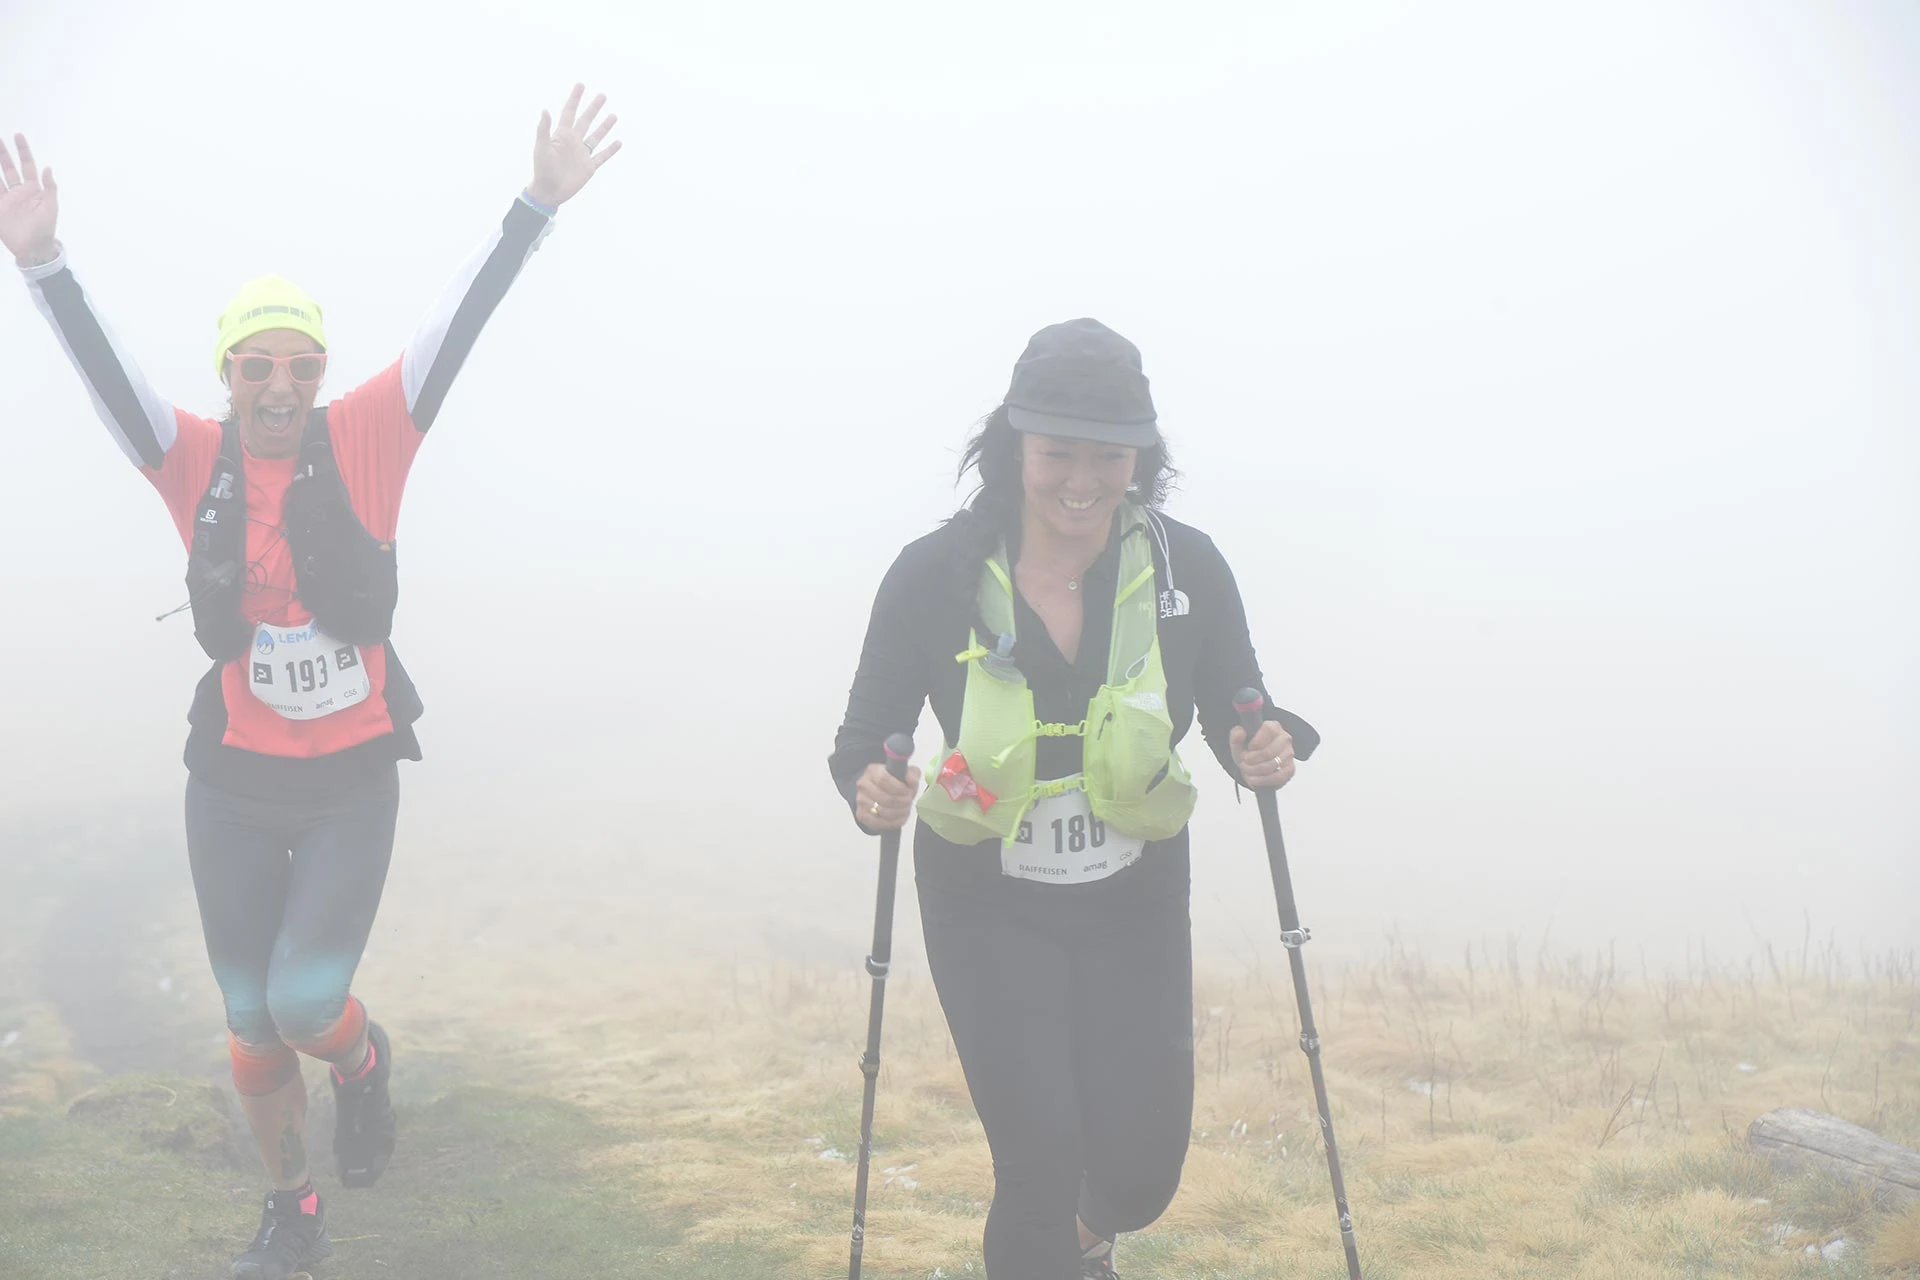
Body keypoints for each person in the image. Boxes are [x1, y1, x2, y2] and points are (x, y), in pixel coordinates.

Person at [0, 85, 620, 1279]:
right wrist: (43, 265)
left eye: (299, 364)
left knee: (304, 1001)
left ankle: (362, 1058)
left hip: (348, 783)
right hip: (230, 783)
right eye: (255, 367)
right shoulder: (192, 459)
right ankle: (295, 1209)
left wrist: (536, 203)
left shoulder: (372, 435)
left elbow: (457, 324)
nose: (278, 385)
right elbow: (108, 378)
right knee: (248, 1018)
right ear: (228, 375)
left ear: (321, 371)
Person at [829, 318, 1316, 1279]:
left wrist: (1261, 746)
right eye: (1058, 453)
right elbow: (863, 741)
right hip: (983, 897)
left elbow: (1238, 702)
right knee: (1040, 1158)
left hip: (1134, 893)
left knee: (1139, 1173)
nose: (1083, 480)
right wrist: (871, 789)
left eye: (1110, 456)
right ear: (1015, 446)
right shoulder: (932, 574)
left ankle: (1077, 1252)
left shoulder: (1186, 567)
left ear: (1142, 458)